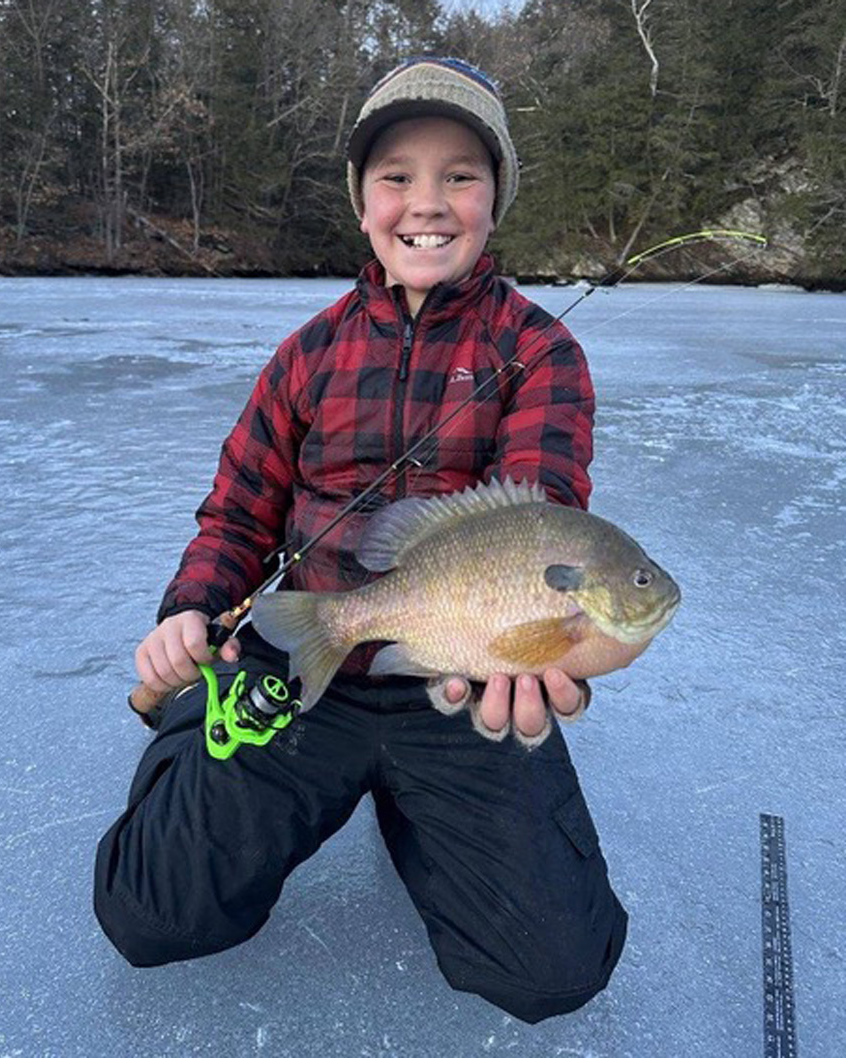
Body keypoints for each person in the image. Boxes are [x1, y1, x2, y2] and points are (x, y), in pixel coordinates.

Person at [94, 56, 627, 1024]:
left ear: (495, 200)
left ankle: (412, 803)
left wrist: (537, 644)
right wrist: (193, 609)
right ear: (362, 200)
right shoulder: (306, 353)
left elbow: (543, 512)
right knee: (150, 914)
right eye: (397, 175)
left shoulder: (542, 351)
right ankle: (194, 728)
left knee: (551, 968)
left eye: (461, 174)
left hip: (453, 679)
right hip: (302, 663)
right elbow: (240, 510)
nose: (428, 201)